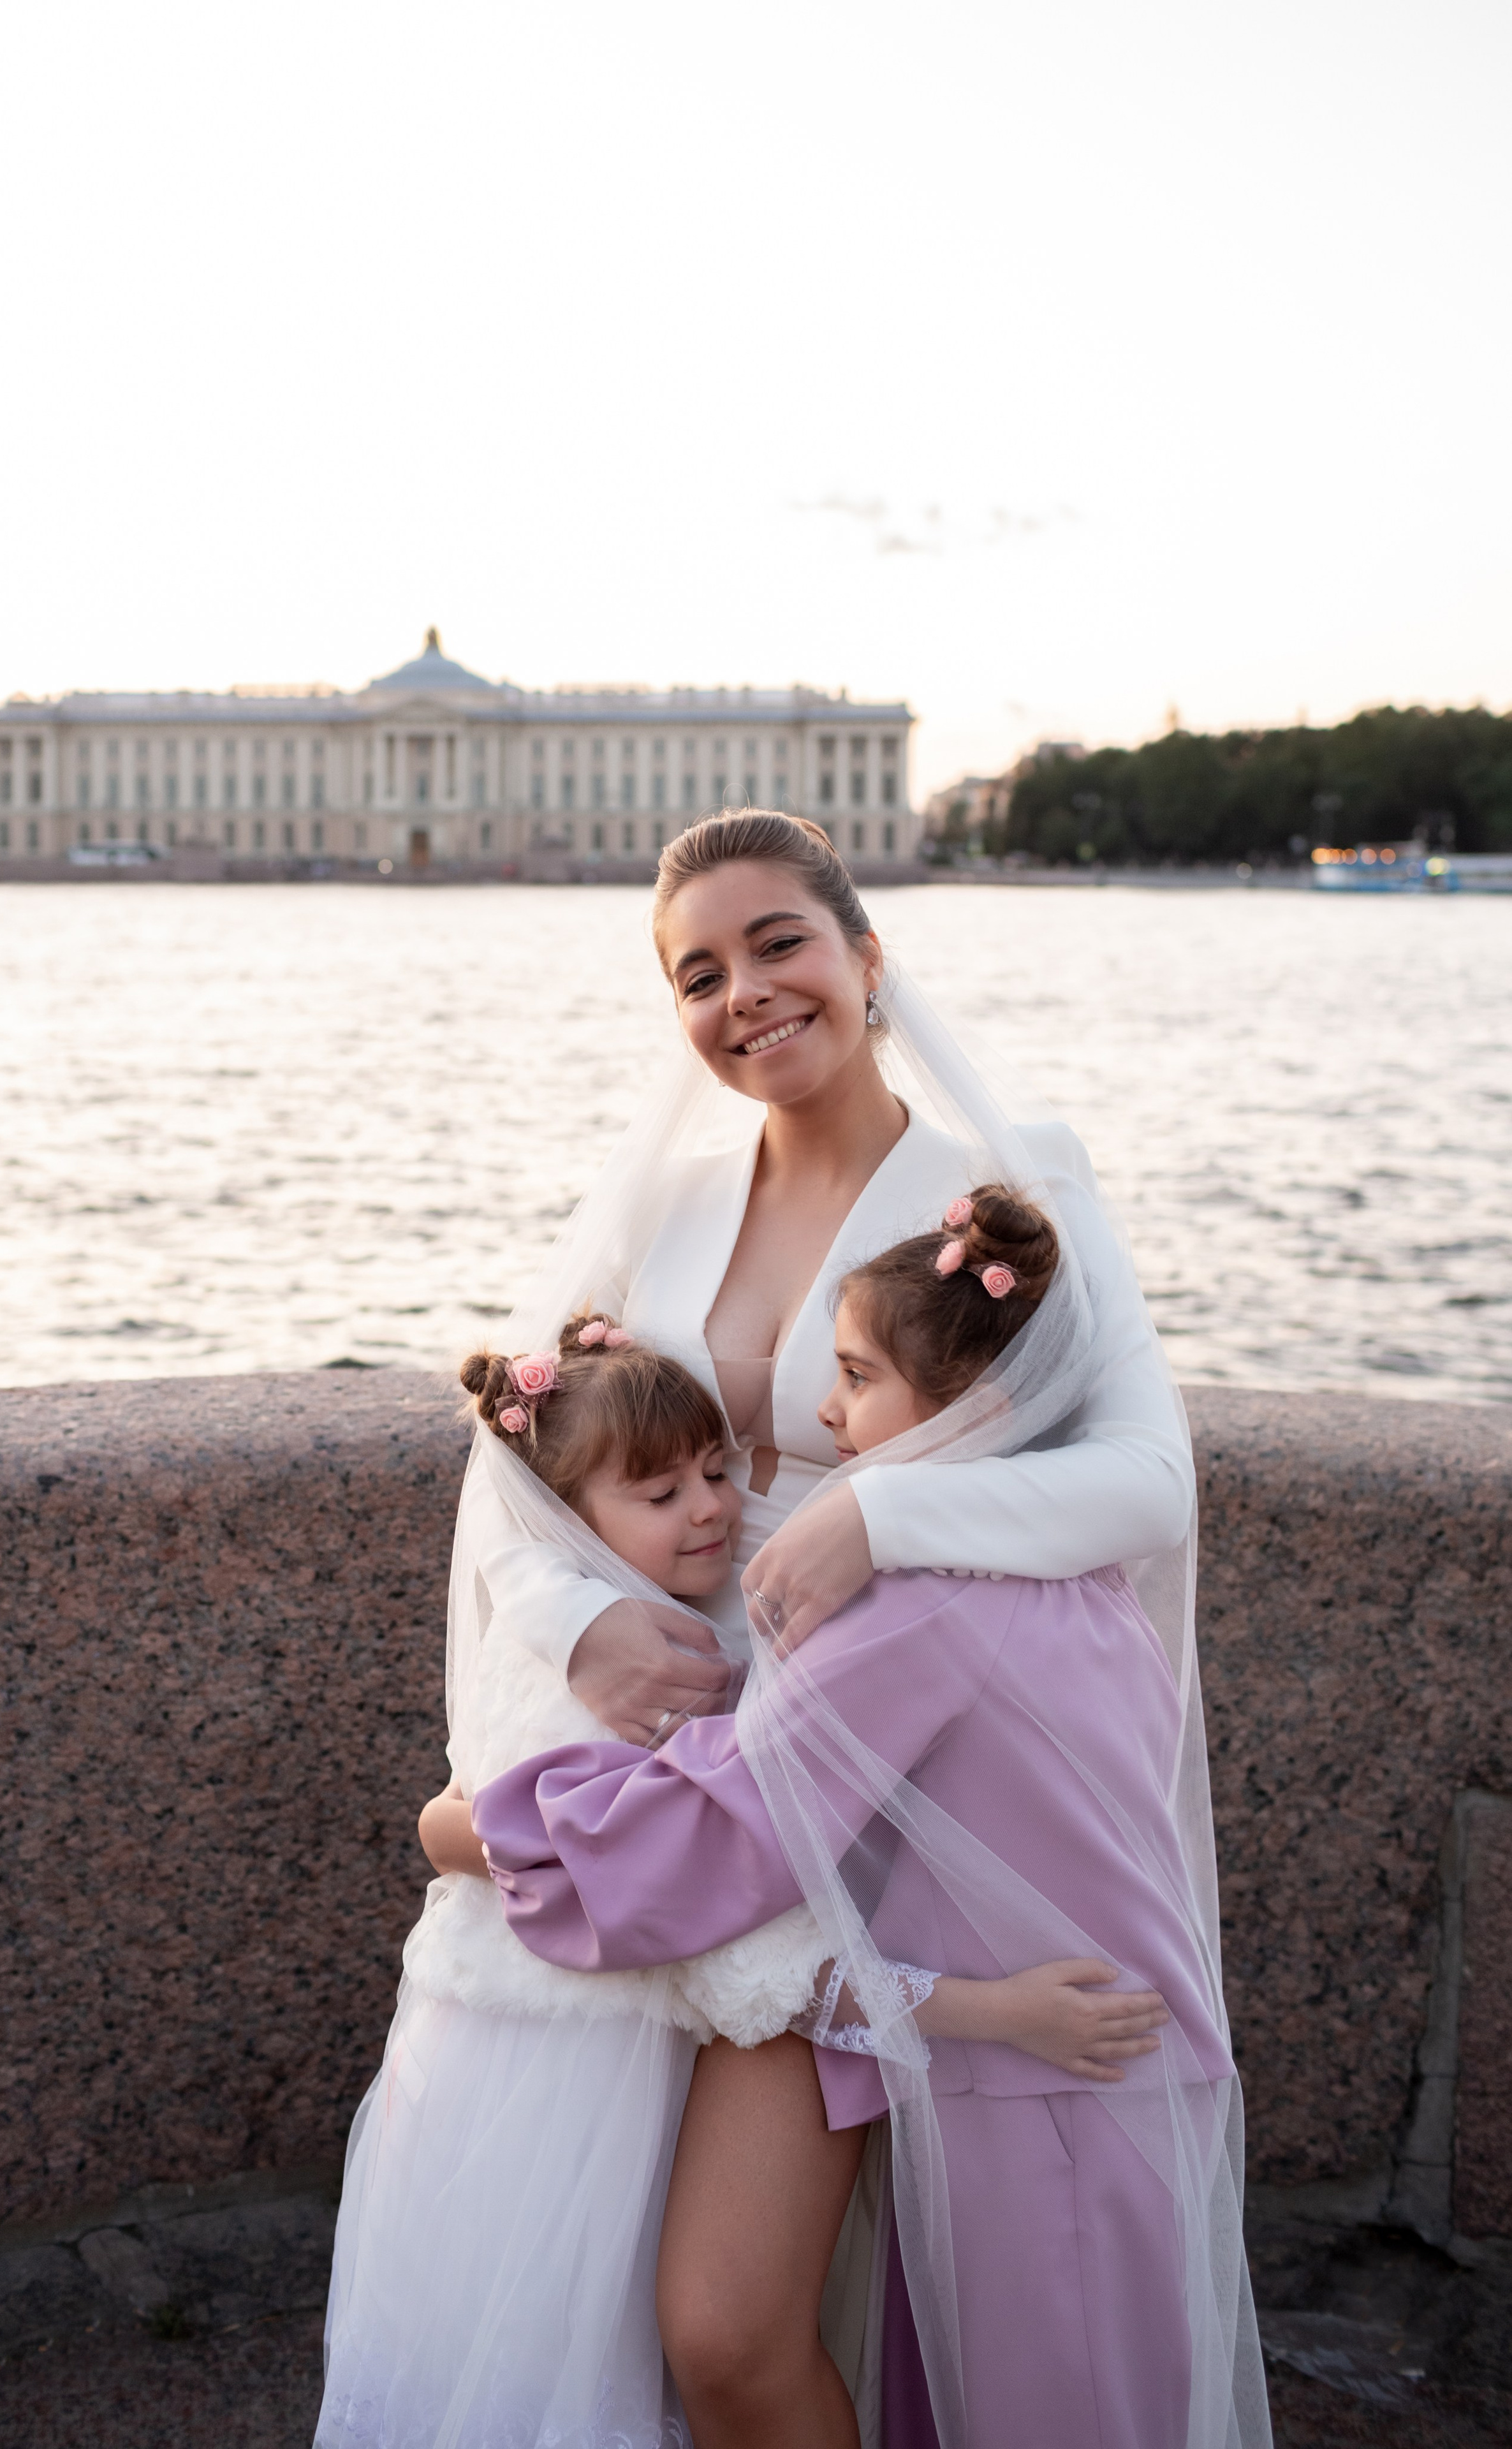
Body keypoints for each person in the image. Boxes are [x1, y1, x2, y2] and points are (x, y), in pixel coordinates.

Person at [446, 811, 1210, 2438]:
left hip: (888, 1764)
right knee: (605, 2288)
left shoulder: (1011, 1183)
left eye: (778, 942)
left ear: (867, 958)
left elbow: (1147, 1480)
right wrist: (582, 1625)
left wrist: (882, 1511)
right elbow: (508, 1480)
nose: (744, 995)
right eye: (696, 974)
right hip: (666, 1745)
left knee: (757, 2312)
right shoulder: (656, 1205)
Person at [473, 1192, 1266, 2449]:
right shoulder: (1066, 1561)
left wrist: (493, 1831)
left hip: (1037, 2094)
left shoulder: (914, 1606)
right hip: (1112, 2058)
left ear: (966, 1412)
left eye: (852, 1376)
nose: (823, 1415)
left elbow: (728, 1825)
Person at [318, 1317, 833, 2449]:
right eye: (660, 1493)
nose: (711, 1508)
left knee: (482, 2324)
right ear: (568, 1518)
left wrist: (453, 1833)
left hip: (487, 2022)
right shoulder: (656, 1672)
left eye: (715, 1471)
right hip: (566, 2048)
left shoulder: (563, 1640)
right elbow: (631, 1870)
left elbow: (466, 1821)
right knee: (559, 2331)